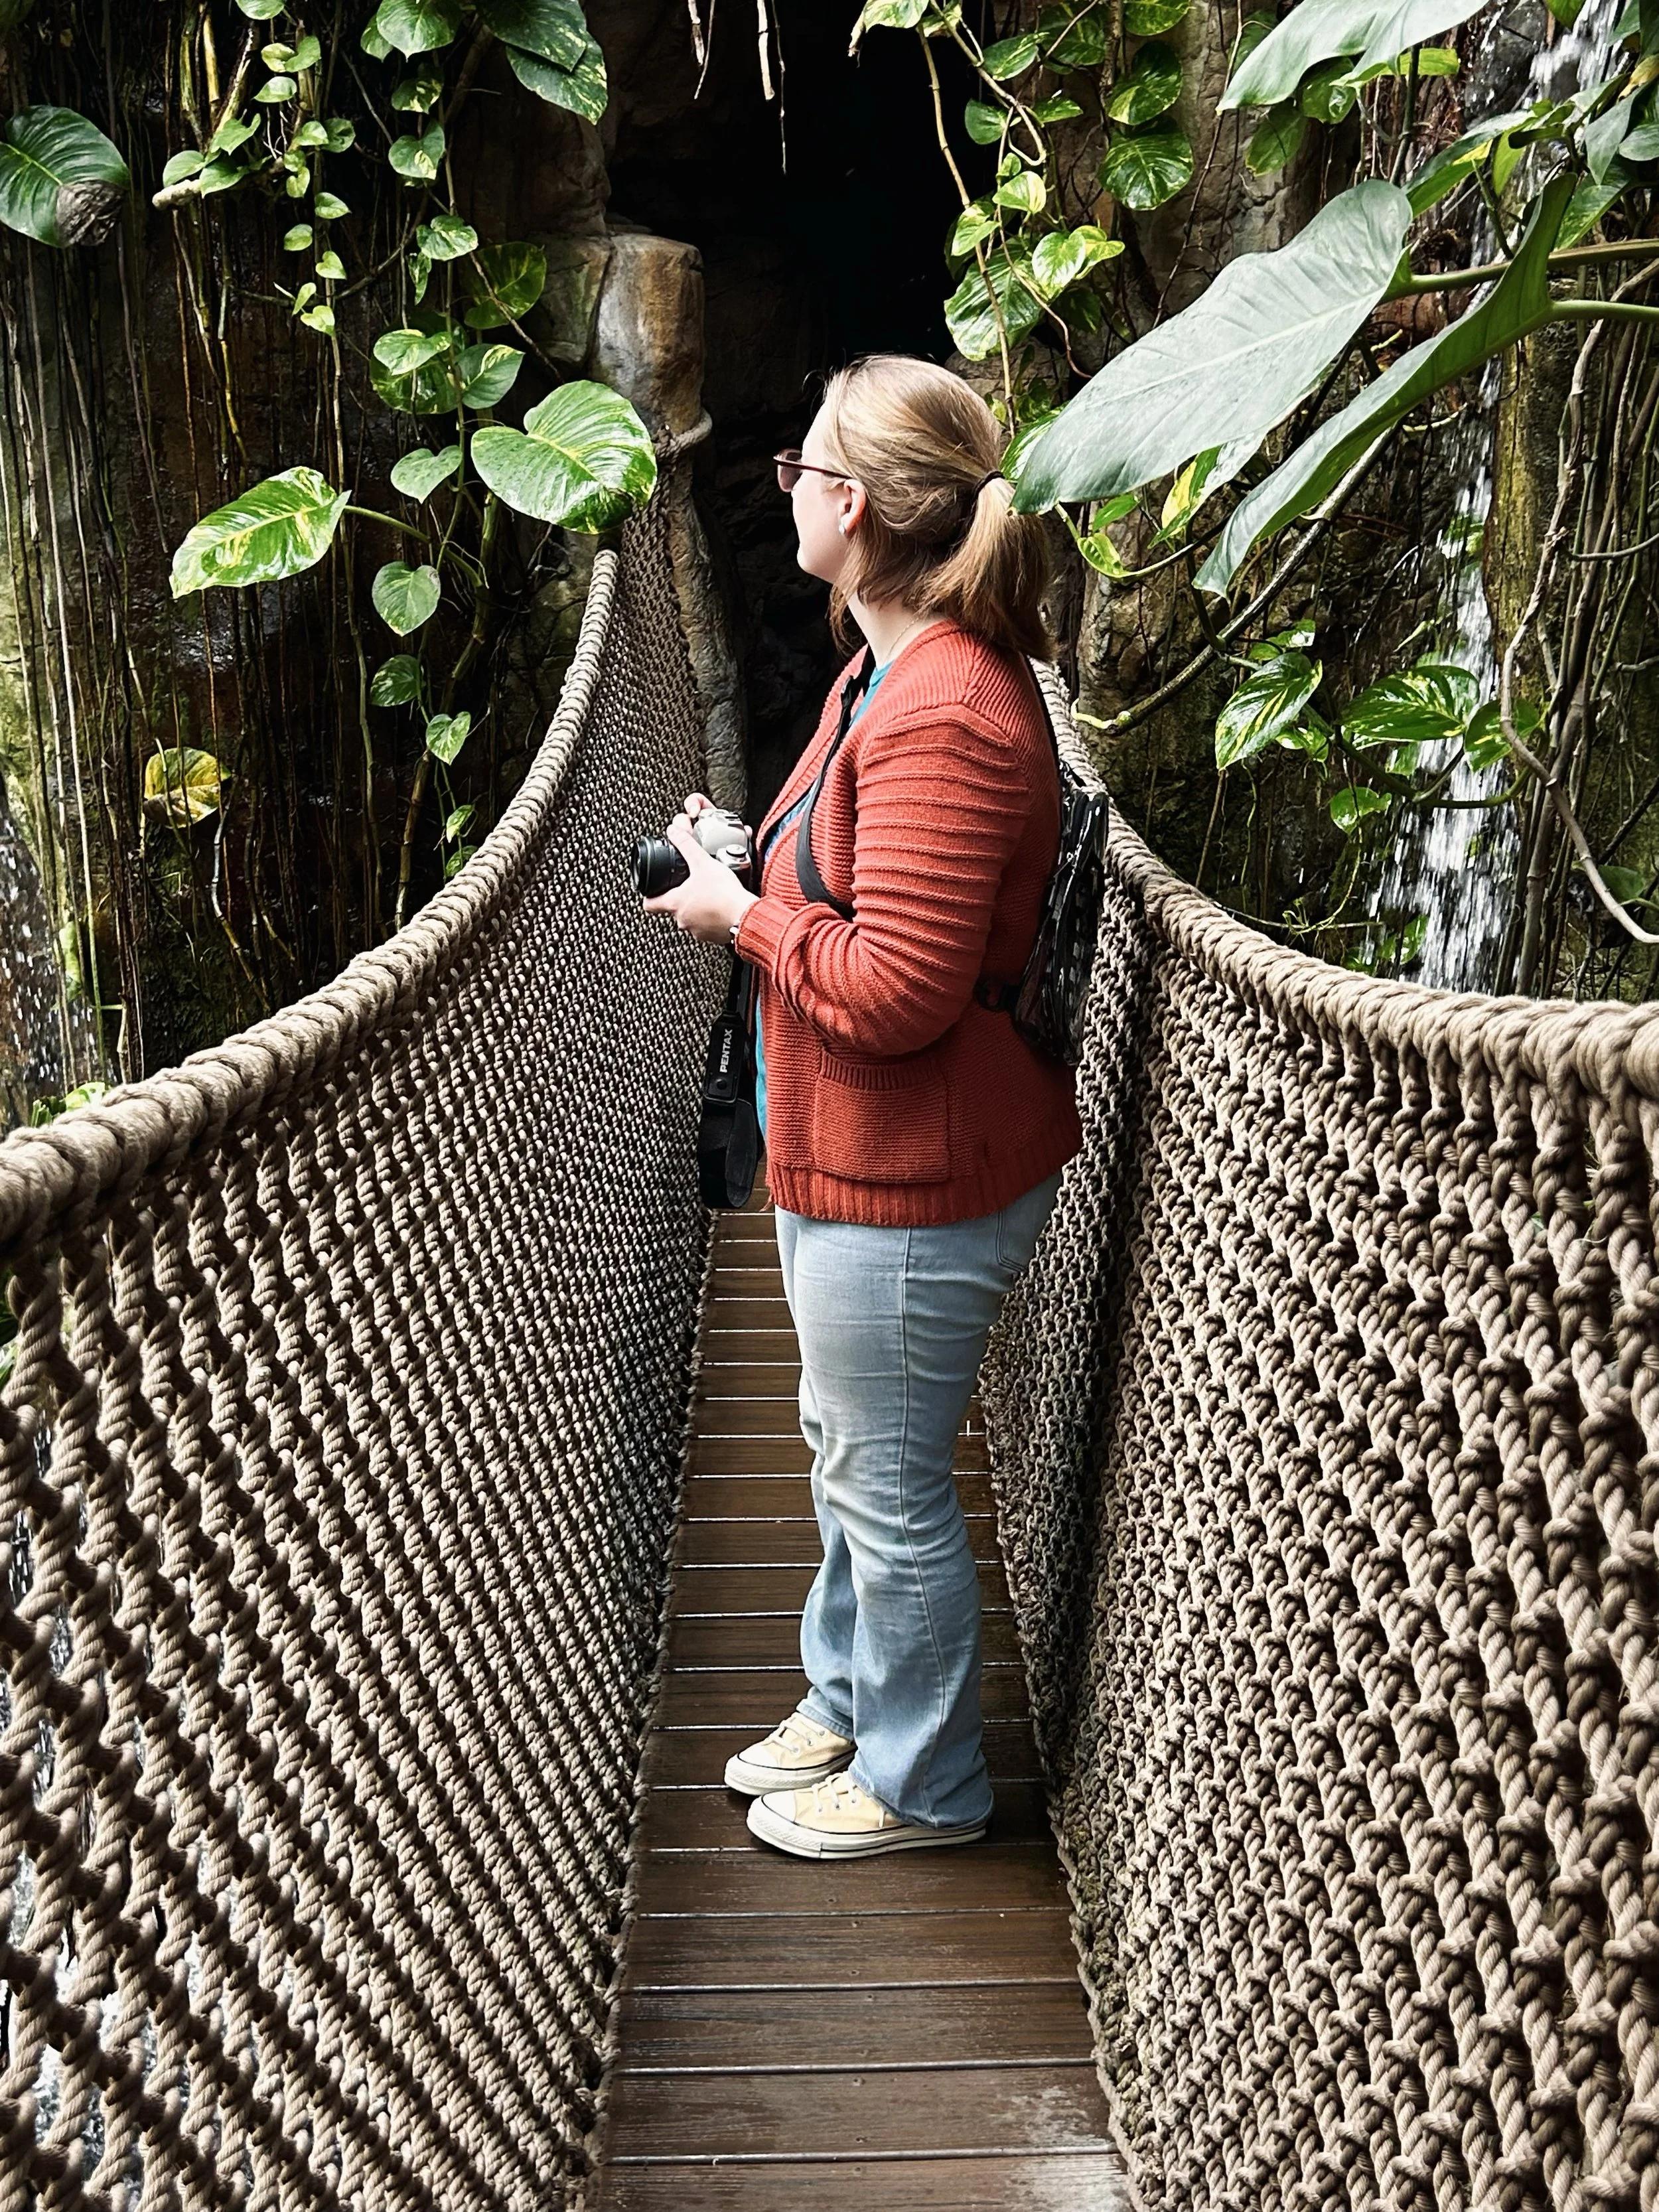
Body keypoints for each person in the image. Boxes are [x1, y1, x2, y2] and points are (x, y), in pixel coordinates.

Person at [640, 354, 1082, 1858]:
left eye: (804, 470)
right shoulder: (876, 654)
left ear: (864, 510)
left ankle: (920, 1783)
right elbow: (848, 871)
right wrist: (746, 862)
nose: (789, 490)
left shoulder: (945, 708)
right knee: (848, 1445)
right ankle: (846, 1696)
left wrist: (734, 923)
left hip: (916, 1175)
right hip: (851, 1157)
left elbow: (894, 991)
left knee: (887, 1484)